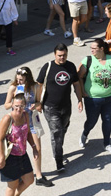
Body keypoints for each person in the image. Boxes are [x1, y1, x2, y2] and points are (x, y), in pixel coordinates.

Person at [34, 44, 85, 173]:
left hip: (66, 106)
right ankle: (59, 161)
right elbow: (39, 85)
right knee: (56, 132)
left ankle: (57, 150)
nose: (62, 58)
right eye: (59, 56)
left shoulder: (71, 66)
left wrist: (80, 100)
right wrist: (38, 103)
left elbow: (76, 84)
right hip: (50, 107)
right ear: (54, 55)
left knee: (63, 130)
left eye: (64, 55)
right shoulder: (48, 67)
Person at [3, 67, 52, 186]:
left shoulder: (35, 87)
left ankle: (39, 175)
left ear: (28, 78)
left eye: (22, 79)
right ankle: (19, 175)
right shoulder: (13, 88)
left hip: (32, 121)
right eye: (18, 79)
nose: (20, 82)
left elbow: (40, 103)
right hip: (18, 123)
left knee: (37, 148)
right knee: (18, 150)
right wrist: (16, 101)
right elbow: (6, 105)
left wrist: (36, 105)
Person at [78, 37, 111, 154]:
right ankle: (85, 134)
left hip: (110, 97)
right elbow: (78, 76)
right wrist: (81, 91)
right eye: (91, 48)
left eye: (94, 48)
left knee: (107, 119)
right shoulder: (87, 60)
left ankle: (107, 143)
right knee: (91, 121)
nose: (92, 50)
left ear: (101, 49)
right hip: (92, 98)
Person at [0, 93, 38, 196]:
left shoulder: (25, 115)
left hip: (22, 154)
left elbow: (28, 133)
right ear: (12, 105)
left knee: (29, 180)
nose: (19, 108)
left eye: (22, 106)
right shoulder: (7, 118)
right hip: (10, 157)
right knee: (12, 186)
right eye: (16, 106)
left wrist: (34, 147)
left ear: (25, 105)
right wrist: (2, 157)